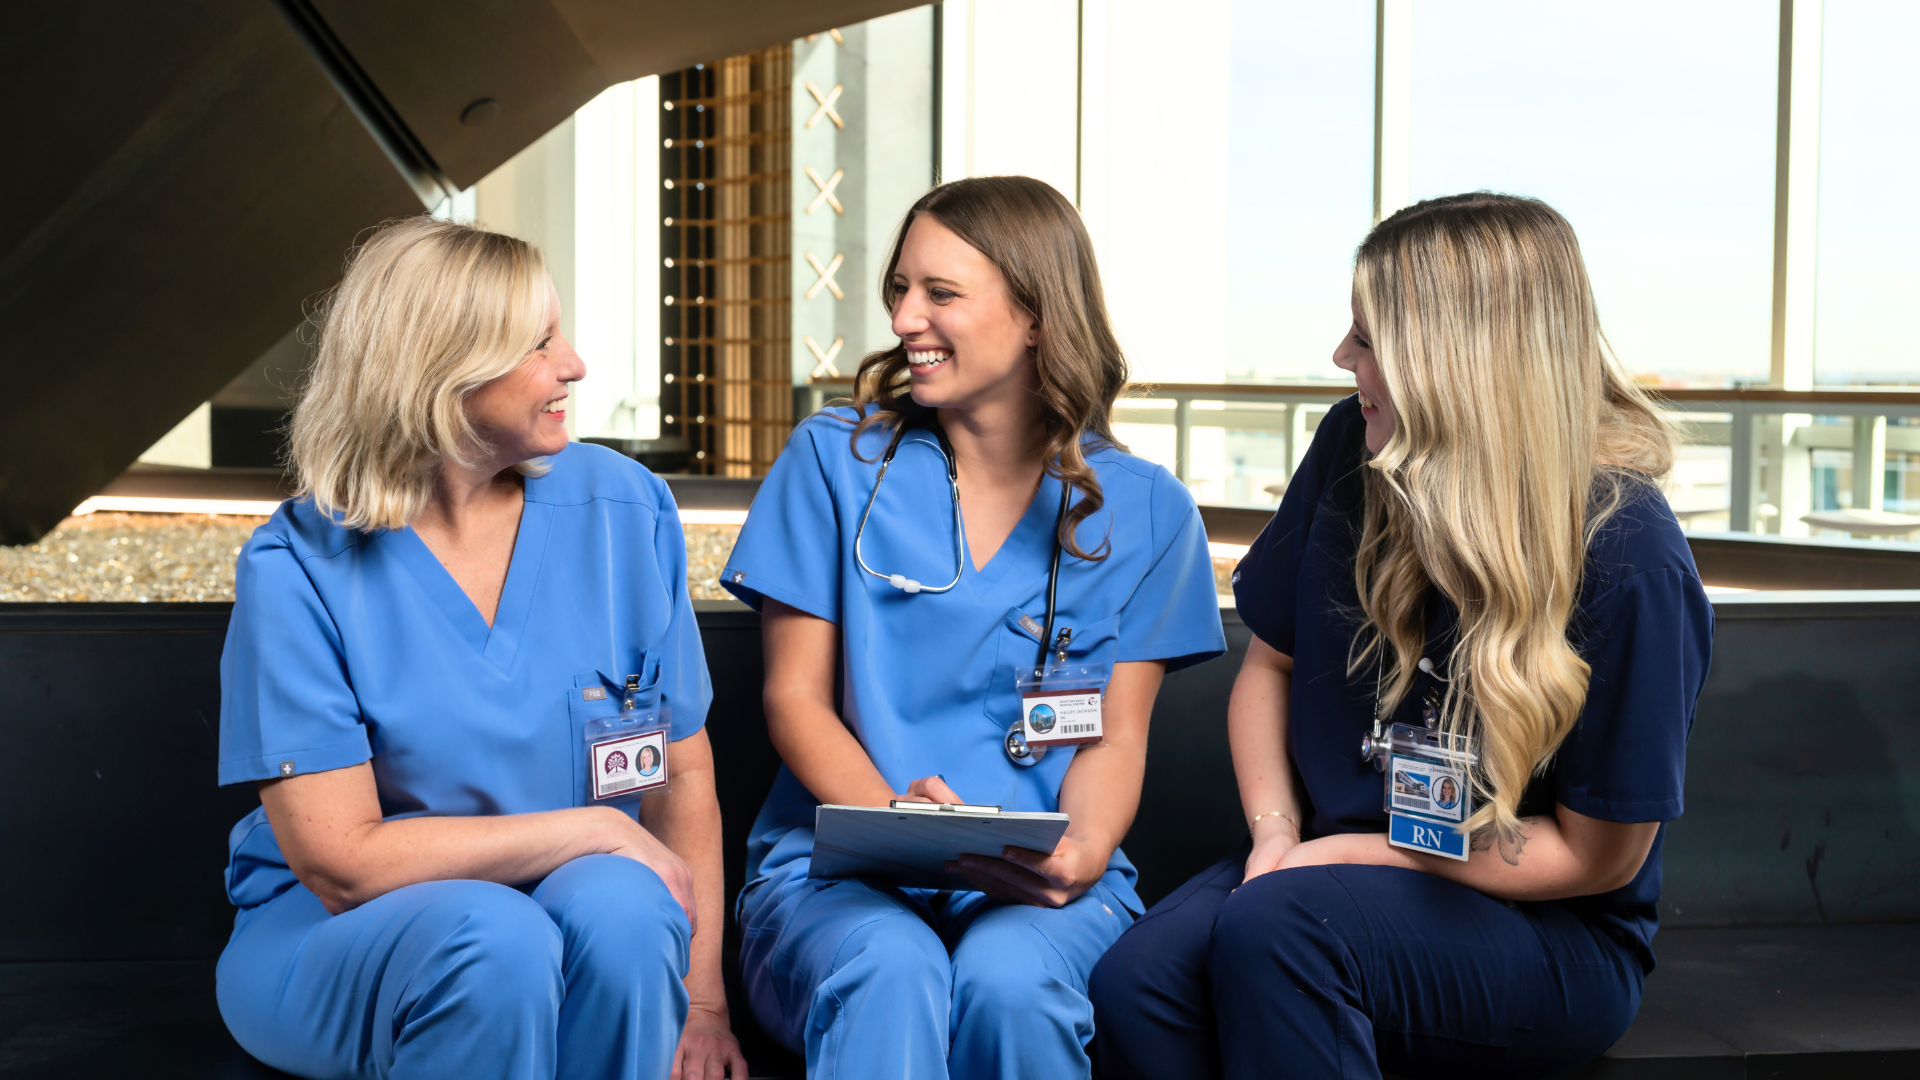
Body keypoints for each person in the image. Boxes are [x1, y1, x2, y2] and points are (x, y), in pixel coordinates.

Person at [1088, 194, 1713, 1079]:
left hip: (1544, 925)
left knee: (1287, 932)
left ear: (1456, 364)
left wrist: (1369, 851)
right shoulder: (1355, 447)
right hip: (1321, 863)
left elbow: (1595, 858)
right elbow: (1267, 666)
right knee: (1137, 982)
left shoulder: (1630, 557)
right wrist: (1274, 835)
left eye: (1367, 339)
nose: (1340, 358)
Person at [215, 217, 747, 1080]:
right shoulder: (298, 567)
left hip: (574, 898)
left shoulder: (624, 509)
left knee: (627, 906)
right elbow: (342, 864)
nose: (573, 365)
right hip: (340, 929)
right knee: (496, 938)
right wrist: (591, 831)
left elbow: (679, 776)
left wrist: (704, 1002)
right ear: (442, 371)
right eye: (539, 344)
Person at [719, 175, 1226, 1080]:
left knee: (1013, 984)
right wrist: (897, 828)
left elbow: (1116, 733)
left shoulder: (1149, 512)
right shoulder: (833, 463)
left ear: (1036, 314)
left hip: (1038, 881)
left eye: (941, 294)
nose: (907, 317)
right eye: (900, 291)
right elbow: (794, 697)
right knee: (888, 968)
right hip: (838, 875)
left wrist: (1083, 854)